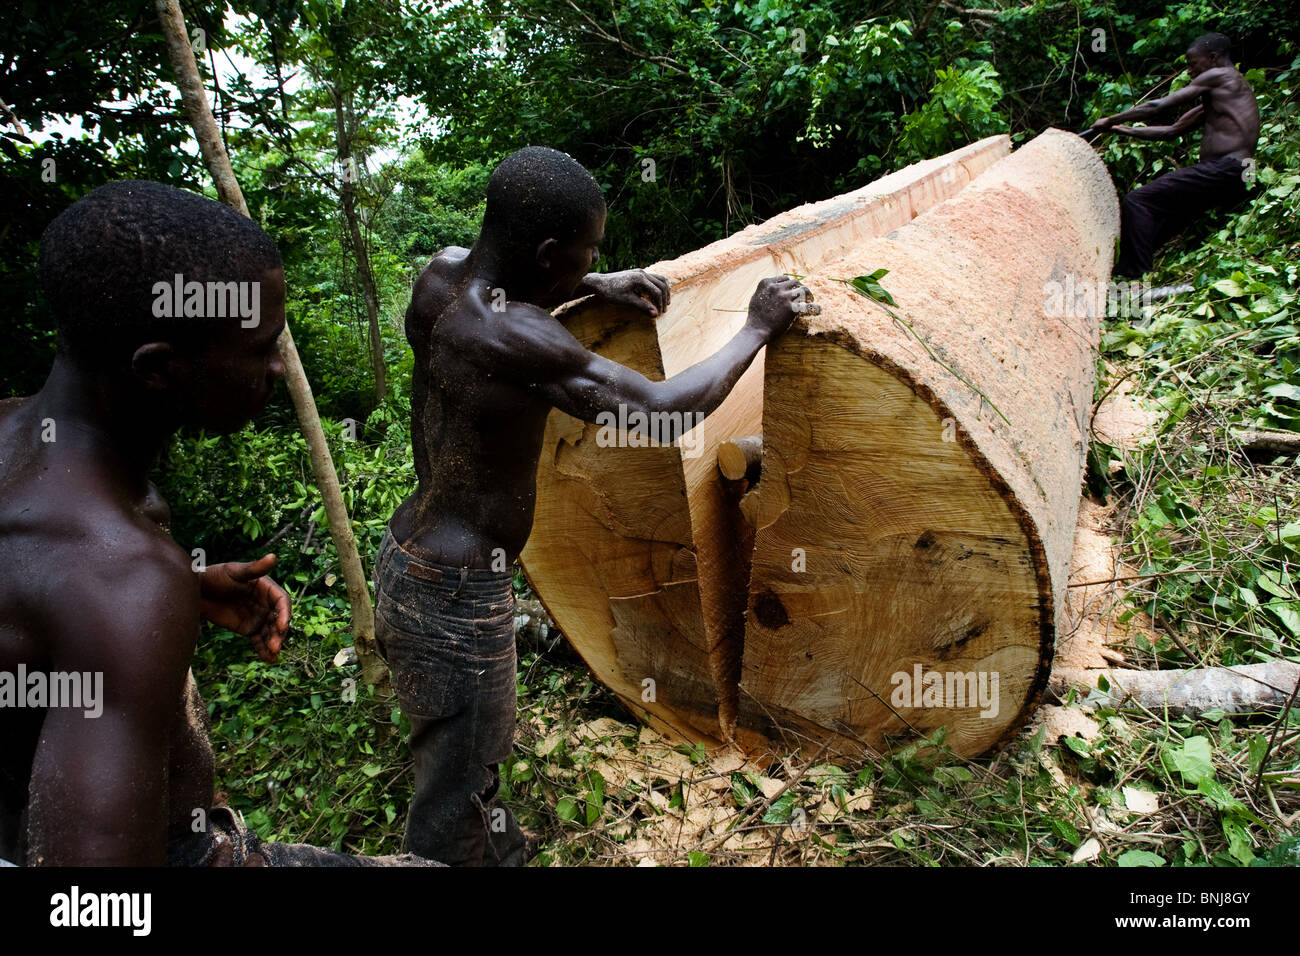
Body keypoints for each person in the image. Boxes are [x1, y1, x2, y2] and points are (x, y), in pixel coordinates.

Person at [378, 145, 813, 866]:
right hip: (455, 599)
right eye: (586, 254)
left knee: (457, 767)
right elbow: (665, 413)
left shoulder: (440, 276)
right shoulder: (518, 337)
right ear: (547, 256)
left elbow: (514, 295)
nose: (591, 266)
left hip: (408, 558)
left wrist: (597, 283)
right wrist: (756, 327)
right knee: (457, 800)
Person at [0, 181, 433, 866]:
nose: (280, 366)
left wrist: (186, 589)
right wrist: (138, 597)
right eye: (262, 347)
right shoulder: (119, 578)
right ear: (160, 370)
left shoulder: (19, 441)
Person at [1088, 32, 1259, 278]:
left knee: (1137, 201)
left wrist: (1111, 118)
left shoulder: (1221, 76)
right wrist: (1119, 130)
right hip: (1240, 172)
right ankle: (1125, 275)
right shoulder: (1225, 97)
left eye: (1192, 64)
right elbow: (1172, 130)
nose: (1189, 71)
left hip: (1229, 168)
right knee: (1162, 218)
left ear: (1213, 58)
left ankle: (1137, 279)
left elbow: (1158, 106)